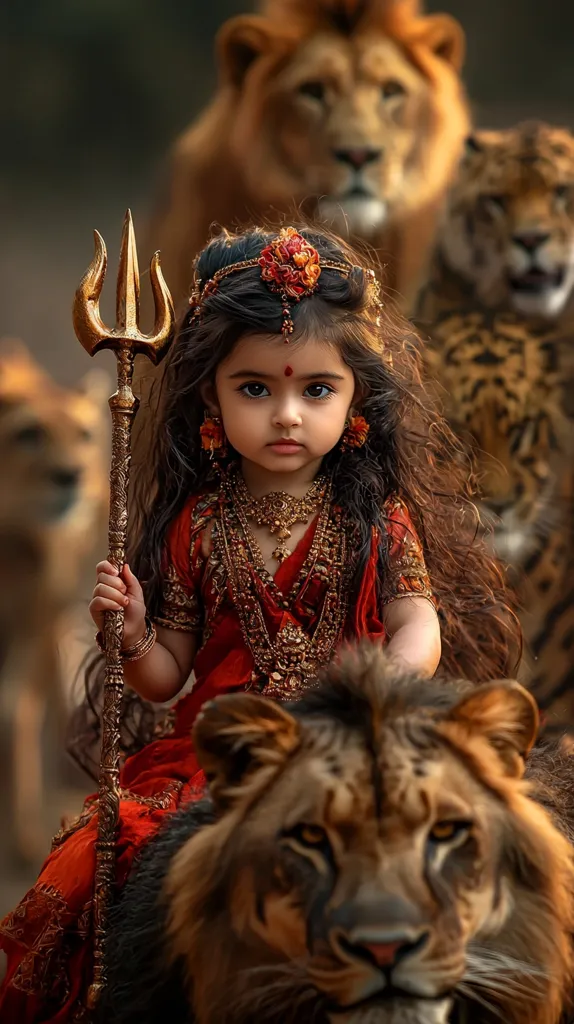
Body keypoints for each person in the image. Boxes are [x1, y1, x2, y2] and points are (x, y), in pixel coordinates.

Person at [0, 225, 520, 1021]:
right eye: (255, 390)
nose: (285, 415)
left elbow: (420, 626)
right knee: (98, 863)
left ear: (354, 404)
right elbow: (167, 678)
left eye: (315, 390)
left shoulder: (376, 518)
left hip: (357, 738)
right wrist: (132, 634)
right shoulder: (197, 524)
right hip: (226, 753)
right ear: (210, 394)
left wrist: (380, 688)